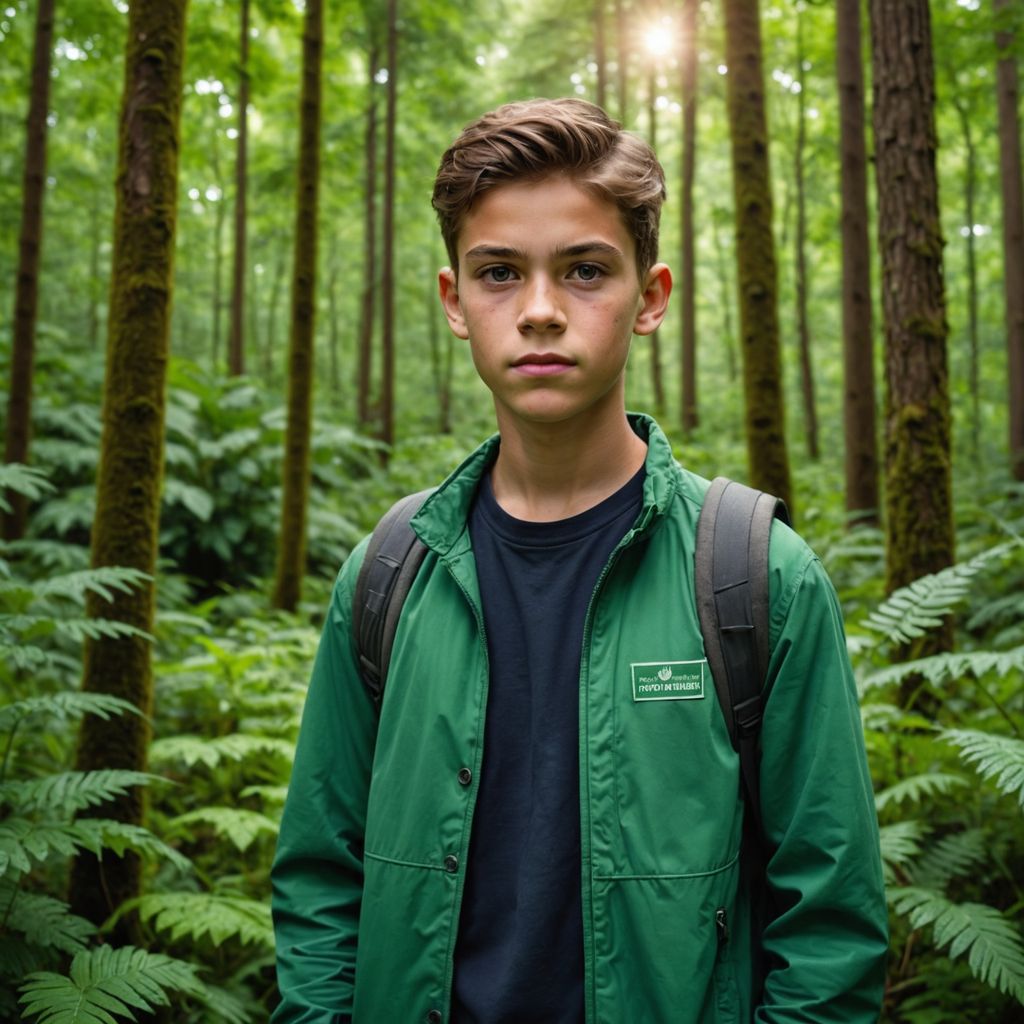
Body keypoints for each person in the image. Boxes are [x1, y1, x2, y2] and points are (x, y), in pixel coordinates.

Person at [270, 97, 888, 1023]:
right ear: (454, 300)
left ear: (651, 296)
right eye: (499, 273)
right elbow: (322, 884)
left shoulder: (756, 578)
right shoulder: (389, 575)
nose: (541, 311)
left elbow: (832, 931)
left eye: (586, 270)